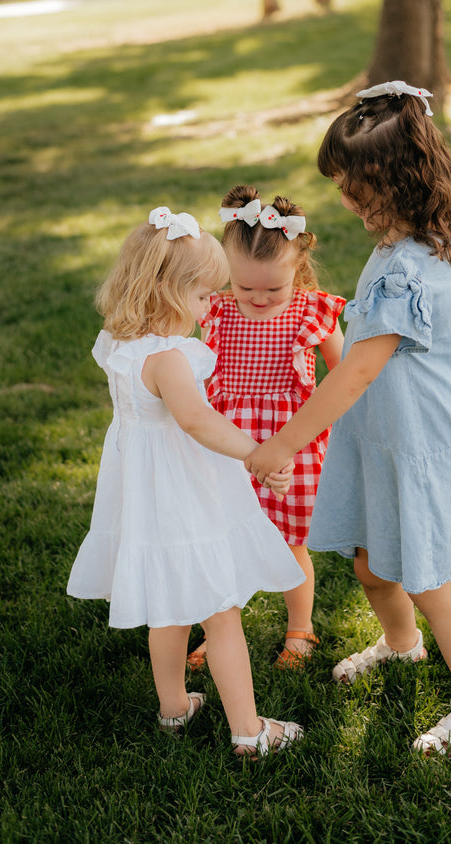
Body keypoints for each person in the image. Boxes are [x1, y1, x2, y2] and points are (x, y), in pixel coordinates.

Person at [245, 81, 451, 755]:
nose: (342, 199)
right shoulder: (404, 242)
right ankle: (402, 646)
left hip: (425, 444)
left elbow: (359, 369)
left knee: (432, 584)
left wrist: (285, 441)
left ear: (393, 185)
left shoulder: (411, 268)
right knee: (373, 566)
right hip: (389, 441)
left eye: (351, 186)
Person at [67, 207, 306, 758]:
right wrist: (258, 454)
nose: (211, 306)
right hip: (185, 492)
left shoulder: (116, 342)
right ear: (169, 294)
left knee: (168, 606)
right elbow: (198, 422)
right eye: (203, 296)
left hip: (145, 495)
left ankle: (174, 709)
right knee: (221, 614)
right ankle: (250, 731)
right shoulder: (170, 357)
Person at [186, 186, 345, 672]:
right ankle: (221, 630)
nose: (257, 298)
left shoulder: (309, 312)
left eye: (271, 290)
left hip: (291, 449)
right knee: (223, 537)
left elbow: (344, 376)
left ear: (297, 270)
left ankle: (300, 628)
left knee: (289, 541)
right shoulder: (214, 311)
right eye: (244, 287)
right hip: (227, 447)